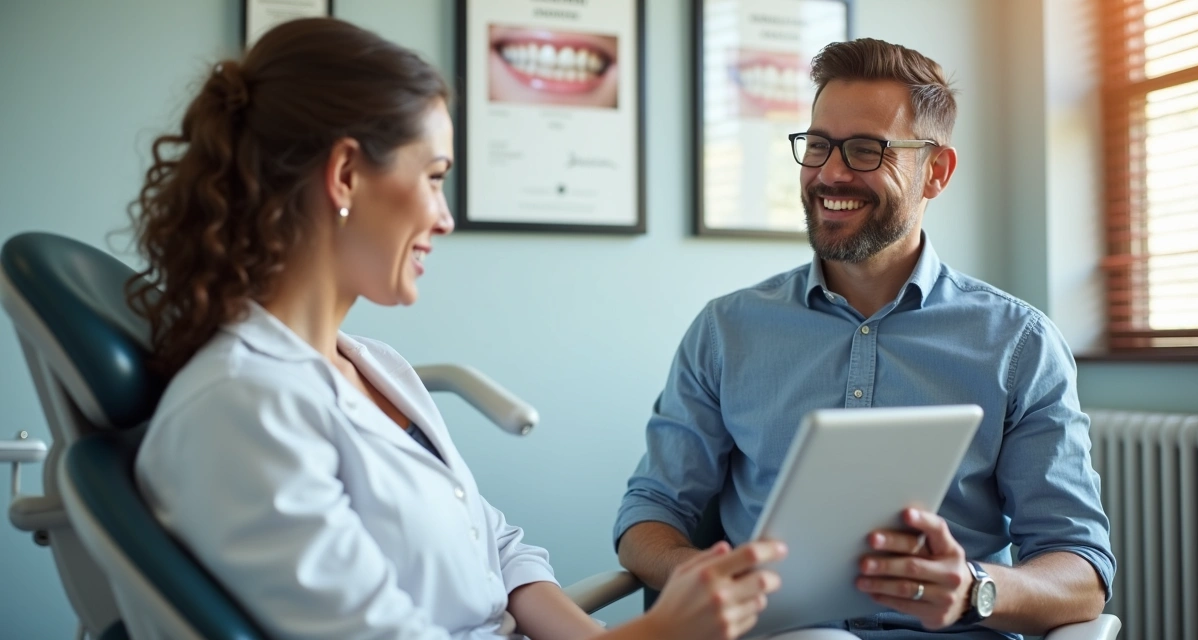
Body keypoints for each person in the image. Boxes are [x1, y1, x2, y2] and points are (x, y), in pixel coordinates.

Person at [127, 17, 790, 640]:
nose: (445, 219)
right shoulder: (243, 406)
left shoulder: (370, 365)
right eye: (435, 178)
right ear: (347, 175)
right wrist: (657, 633)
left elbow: (495, 544)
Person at [614, 38, 1115, 640]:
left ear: (936, 171)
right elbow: (649, 516)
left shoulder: (1020, 344)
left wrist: (974, 589)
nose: (829, 173)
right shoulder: (727, 331)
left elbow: (1081, 570)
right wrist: (706, 578)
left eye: (864, 150)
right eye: (818, 145)